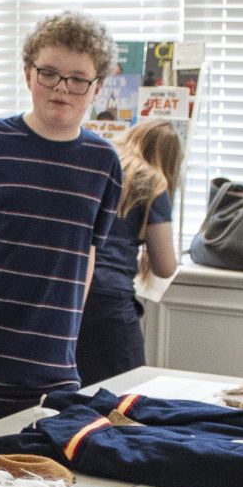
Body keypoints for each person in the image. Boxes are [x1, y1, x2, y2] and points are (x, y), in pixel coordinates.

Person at [0, 10, 124, 442]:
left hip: (51, 380)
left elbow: (86, 256)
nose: (61, 88)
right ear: (27, 72)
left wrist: (66, 346)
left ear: (97, 88)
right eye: (49, 73)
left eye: (77, 79)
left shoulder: (105, 164)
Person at [75, 118, 180, 384]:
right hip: (110, 298)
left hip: (70, 292)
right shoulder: (152, 182)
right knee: (128, 390)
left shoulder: (96, 163)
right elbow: (165, 266)